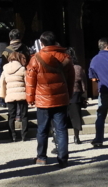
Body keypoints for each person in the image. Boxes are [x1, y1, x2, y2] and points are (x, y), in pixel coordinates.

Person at [25, 30, 75, 167]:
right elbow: (71, 79)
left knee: (42, 129)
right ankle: (63, 158)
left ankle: (41, 157)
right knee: (61, 129)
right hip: (61, 98)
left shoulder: (35, 58)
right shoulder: (65, 57)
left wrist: (30, 98)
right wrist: (69, 94)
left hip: (43, 99)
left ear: (42, 43)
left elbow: (30, 80)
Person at [0, 50, 29, 141]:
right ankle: (24, 135)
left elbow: (1, 83)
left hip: (10, 95)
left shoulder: (5, 69)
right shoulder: (22, 69)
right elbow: (27, 82)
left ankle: (13, 136)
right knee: (24, 116)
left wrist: (3, 95)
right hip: (22, 94)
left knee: (11, 116)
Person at [65, 48, 87, 145]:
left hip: (64, 94)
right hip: (76, 93)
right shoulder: (78, 68)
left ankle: (63, 138)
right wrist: (83, 93)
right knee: (76, 116)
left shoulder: (62, 67)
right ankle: (76, 137)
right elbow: (83, 84)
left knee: (64, 117)